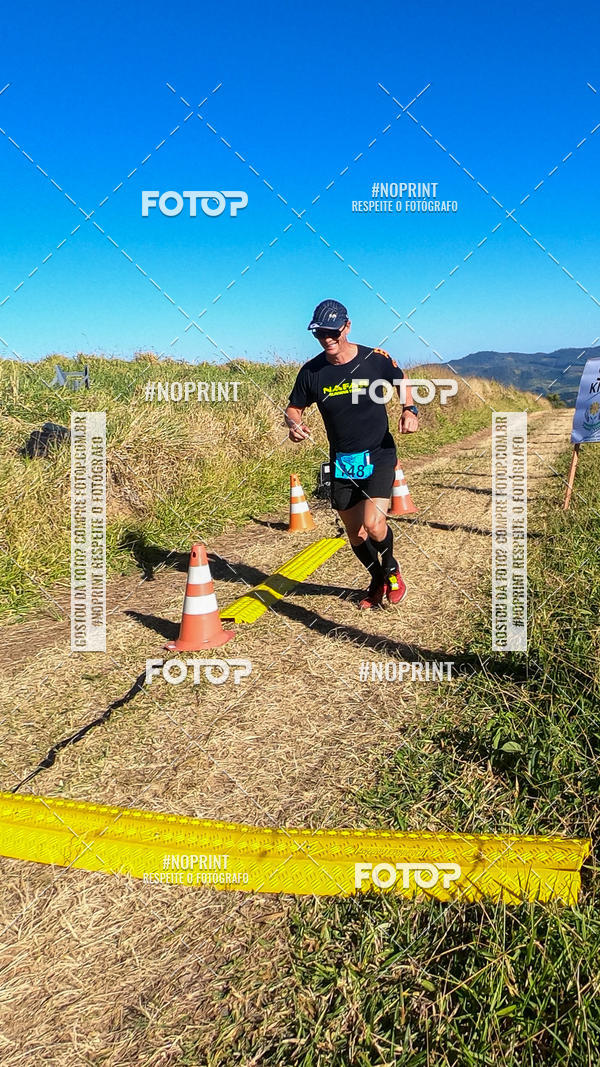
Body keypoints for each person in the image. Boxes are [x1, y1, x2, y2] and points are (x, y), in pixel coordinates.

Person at [285, 299, 419, 609]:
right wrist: (293, 425)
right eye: (319, 334)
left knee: (373, 524)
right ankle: (376, 579)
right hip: (343, 461)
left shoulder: (375, 359)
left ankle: (392, 571)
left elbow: (402, 380)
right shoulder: (312, 372)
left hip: (379, 453)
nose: (326, 339)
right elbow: (293, 408)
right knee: (355, 533)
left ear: (346, 327)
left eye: (332, 332)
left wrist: (409, 409)